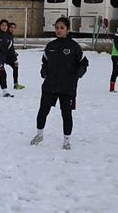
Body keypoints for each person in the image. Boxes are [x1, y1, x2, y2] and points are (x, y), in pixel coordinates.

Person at [30, 17, 89, 150]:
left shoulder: (74, 46)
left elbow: (84, 63)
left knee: (66, 114)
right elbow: (44, 62)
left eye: (62, 28)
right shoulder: (50, 46)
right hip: (49, 86)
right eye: (57, 27)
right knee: (43, 111)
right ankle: (39, 135)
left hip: (67, 87)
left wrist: (79, 73)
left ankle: (66, 141)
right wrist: (43, 71)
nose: (59, 30)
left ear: (67, 30)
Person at [6, 22, 25, 90]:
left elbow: (10, 47)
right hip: (6, 56)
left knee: (15, 67)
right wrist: (15, 58)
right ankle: (16, 85)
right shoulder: (7, 36)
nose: (12, 29)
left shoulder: (10, 35)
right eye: (11, 27)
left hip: (7, 55)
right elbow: (7, 48)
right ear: (8, 27)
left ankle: (16, 84)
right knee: (15, 67)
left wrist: (14, 52)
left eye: (14, 28)